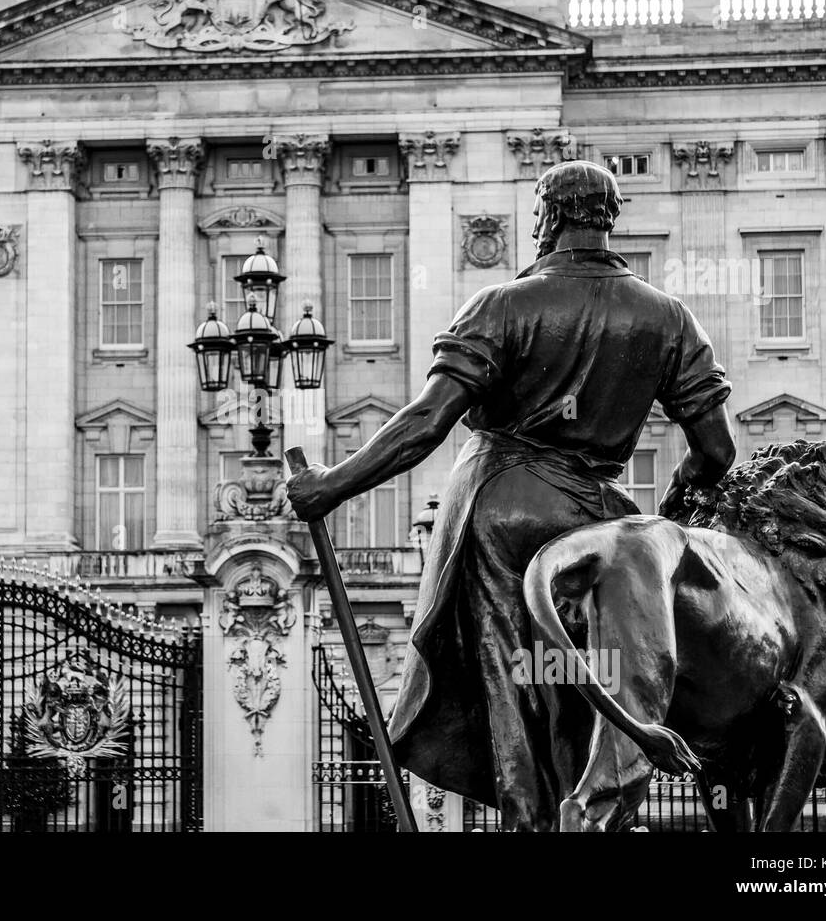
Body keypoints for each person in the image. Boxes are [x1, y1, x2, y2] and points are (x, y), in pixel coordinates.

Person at [287, 160, 737, 830]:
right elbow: (717, 451)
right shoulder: (669, 318)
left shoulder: (503, 304)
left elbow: (426, 422)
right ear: (608, 221)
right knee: (576, 677)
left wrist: (332, 485)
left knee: (509, 680)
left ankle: (528, 819)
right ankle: (584, 814)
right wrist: (676, 498)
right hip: (600, 516)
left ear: (548, 218)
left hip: (503, 502)